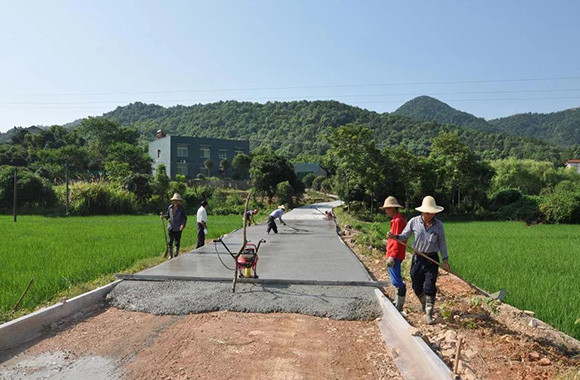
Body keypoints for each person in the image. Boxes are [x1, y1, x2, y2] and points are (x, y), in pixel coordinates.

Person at [388, 196, 449, 324]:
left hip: (432, 258)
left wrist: (445, 260)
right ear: (422, 211)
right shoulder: (414, 222)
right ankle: (423, 302)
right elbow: (404, 235)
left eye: (432, 213)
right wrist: (395, 236)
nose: (430, 215)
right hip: (418, 258)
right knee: (416, 285)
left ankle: (429, 313)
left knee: (430, 285)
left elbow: (442, 243)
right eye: (428, 212)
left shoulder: (438, 225)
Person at [380, 196, 407, 312]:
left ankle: (399, 305)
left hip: (395, 254)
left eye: (387, 209)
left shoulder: (398, 221)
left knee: (396, 280)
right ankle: (397, 301)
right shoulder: (395, 221)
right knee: (394, 278)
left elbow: (398, 240)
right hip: (392, 253)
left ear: (392, 208)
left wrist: (392, 255)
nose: (386, 211)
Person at [161, 193, 188, 258]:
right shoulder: (170, 207)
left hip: (178, 227)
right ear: (173, 201)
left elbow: (184, 217)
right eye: (175, 200)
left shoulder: (182, 208)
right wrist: (163, 216)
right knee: (170, 241)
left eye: (177, 200)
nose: (176, 201)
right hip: (171, 227)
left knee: (177, 242)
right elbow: (168, 216)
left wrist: (183, 225)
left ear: (179, 201)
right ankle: (170, 255)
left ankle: (176, 254)